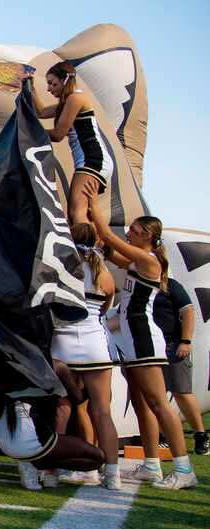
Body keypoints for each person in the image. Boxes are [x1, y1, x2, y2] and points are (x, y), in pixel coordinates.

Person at [89, 198, 198, 489]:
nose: (129, 232)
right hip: (131, 339)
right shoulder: (138, 260)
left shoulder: (149, 260)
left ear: (147, 236)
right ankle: (151, 465)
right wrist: (96, 241)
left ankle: (184, 469)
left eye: (134, 230)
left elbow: (110, 237)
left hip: (144, 340)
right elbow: (111, 250)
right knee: (140, 403)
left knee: (159, 404)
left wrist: (92, 204)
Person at [50, 222, 121, 489]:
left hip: (63, 343)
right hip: (95, 343)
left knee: (62, 408)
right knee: (103, 411)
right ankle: (112, 475)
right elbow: (105, 307)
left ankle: (52, 470)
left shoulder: (62, 269)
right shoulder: (104, 274)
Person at [26, 63, 113, 225]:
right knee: (83, 214)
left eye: (53, 83)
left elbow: (58, 134)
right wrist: (30, 86)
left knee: (76, 212)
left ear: (65, 81)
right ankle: (96, 245)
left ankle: (86, 248)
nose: (49, 89)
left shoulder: (75, 99)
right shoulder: (67, 102)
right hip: (91, 161)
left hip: (92, 160)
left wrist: (28, 131)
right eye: (48, 84)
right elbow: (41, 112)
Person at [152, 277, 207, 455]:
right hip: (151, 347)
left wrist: (185, 341)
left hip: (172, 344)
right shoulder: (139, 286)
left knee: (182, 392)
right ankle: (163, 437)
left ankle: (200, 436)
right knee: (156, 395)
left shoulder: (170, 285)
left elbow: (188, 312)